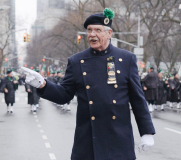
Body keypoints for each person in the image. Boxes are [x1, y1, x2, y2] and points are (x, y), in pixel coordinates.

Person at [22, 8, 155, 160]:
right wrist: (42, 84)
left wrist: (147, 132)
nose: (92, 35)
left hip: (118, 140)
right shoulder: (76, 61)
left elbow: (138, 99)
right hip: (88, 141)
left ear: (109, 33)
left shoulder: (126, 59)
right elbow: (64, 95)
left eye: (97, 30)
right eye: (89, 30)